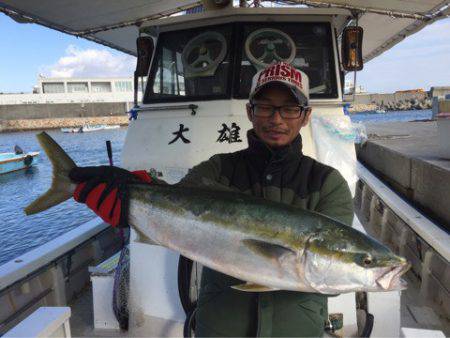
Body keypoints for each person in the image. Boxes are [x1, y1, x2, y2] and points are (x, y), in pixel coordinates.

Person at [70, 61, 353, 337]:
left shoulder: (327, 184)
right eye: (265, 107)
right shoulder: (218, 169)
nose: (276, 119)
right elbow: (176, 205)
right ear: (250, 112)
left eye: (290, 109)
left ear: (305, 116)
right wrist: (134, 195)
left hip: (297, 330)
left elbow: (333, 275)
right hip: (220, 326)